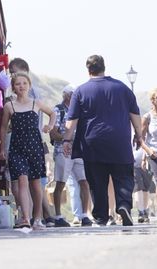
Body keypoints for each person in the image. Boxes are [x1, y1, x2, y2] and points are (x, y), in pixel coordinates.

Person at [64, 55, 150, 226]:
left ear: (88, 69)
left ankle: (101, 216)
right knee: (123, 177)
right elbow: (135, 114)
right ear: (104, 67)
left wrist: (67, 140)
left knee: (97, 181)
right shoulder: (123, 88)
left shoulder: (80, 91)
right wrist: (139, 136)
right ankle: (123, 205)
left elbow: (72, 120)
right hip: (119, 141)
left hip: (92, 142)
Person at [0, 72, 54, 229]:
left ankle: (37, 218)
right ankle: (25, 217)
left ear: (29, 85)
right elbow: (3, 128)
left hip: (35, 147)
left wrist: (49, 126)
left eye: (24, 83)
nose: (21, 86)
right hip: (17, 148)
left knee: (36, 183)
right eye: (18, 84)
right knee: (21, 180)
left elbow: (52, 113)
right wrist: (3, 148)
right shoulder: (9, 106)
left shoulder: (36, 103)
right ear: (13, 88)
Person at [51, 84, 93, 226]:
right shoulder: (58, 110)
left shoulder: (80, 111)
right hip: (63, 151)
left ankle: (84, 215)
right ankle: (58, 216)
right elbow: (53, 132)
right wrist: (67, 139)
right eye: (74, 95)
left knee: (84, 182)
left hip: (79, 151)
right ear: (67, 95)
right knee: (61, 183)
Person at [140, 87, 157, 224]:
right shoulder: (147, 117)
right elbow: (141, 139)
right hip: (155, 155)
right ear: (152, 100)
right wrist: (148, 152)